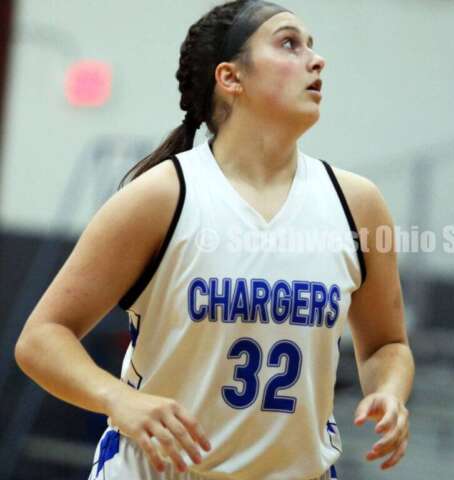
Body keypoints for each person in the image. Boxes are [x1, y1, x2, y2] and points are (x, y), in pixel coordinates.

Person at [13, 1, 414, 478]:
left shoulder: (357, 203)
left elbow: (387, 344)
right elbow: (41, 338)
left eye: (312, 46)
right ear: (231, 77)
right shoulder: (163, 196)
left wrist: (388, 391)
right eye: (289, 43)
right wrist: (117, 399)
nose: (315, 59)